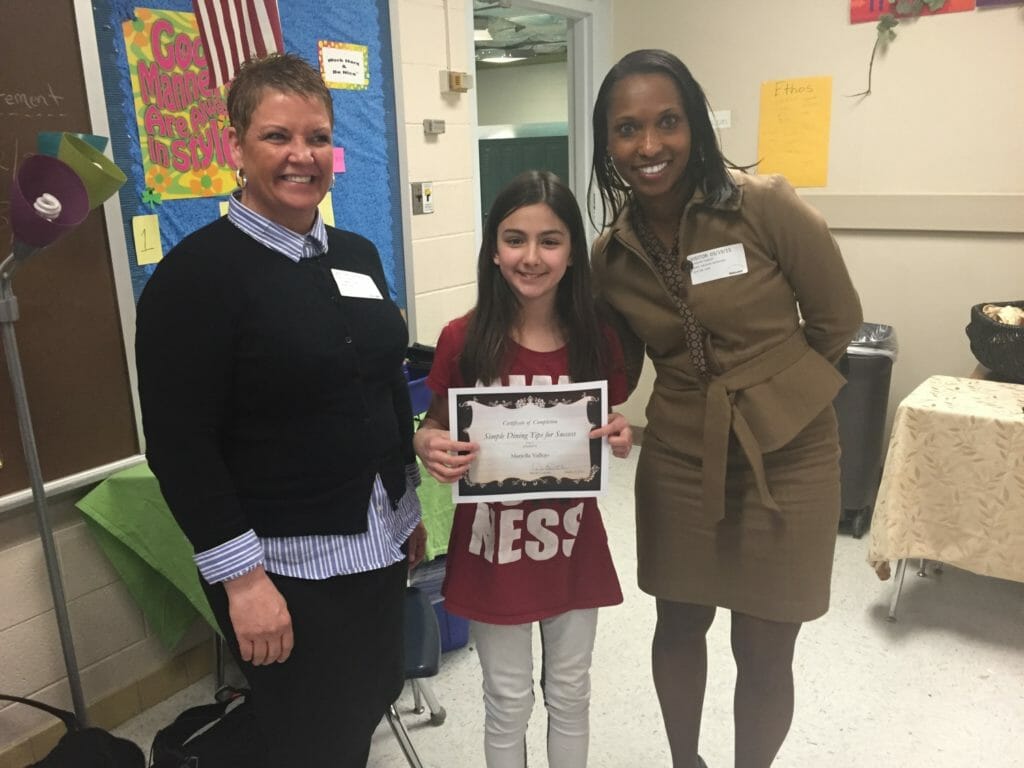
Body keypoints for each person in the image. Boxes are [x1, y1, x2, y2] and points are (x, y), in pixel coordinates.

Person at [135, 53, 425, 767]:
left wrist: (407, 506)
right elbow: (180, 445)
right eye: (278, 137)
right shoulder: (196, 278)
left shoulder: (356, 255)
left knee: (372, 692)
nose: (303, 156)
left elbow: (384, 377)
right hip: (283, 567)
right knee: (315, 734)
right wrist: (243, 581)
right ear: (236, 146)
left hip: (376, 542)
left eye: (318, 137)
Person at [588, 50, 863, 768]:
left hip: (791, 455)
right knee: (678, 622)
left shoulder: (764, 203)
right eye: (627, 129)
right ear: (607, 144)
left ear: (696, 126)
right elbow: (613, 371)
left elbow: (837, 319)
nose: (649, 146)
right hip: (681, 457)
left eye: (667, 122)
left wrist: (780, 402)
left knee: (766, 642)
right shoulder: (610, 256)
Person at [414, 171, 633, 768]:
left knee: (570, 691)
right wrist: (428, 444)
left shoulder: (597, 339)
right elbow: (434, 425)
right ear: (493, 247)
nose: (531, 257)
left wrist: (619, 433)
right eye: (515, 239)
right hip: (493, 551)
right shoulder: (462, 339)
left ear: (572, 254)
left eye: (550, 241)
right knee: (506, 700)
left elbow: (604, 424)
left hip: (569, 545)